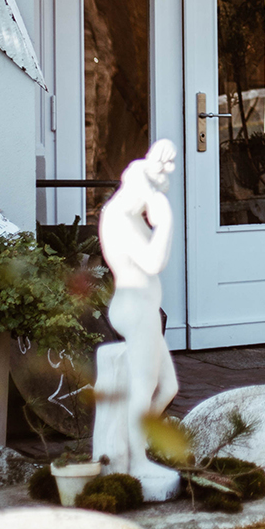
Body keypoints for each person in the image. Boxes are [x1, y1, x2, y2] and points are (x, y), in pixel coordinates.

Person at [91, 138, 181, 499]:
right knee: (142, 389)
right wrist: (166, 222)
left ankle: (131, 444)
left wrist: (160, 222)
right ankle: (136, 460)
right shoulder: (118, 217)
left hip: (144, 310)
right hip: (133, 309)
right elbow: (153, 262)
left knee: (167, 387)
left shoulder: (128, 216)